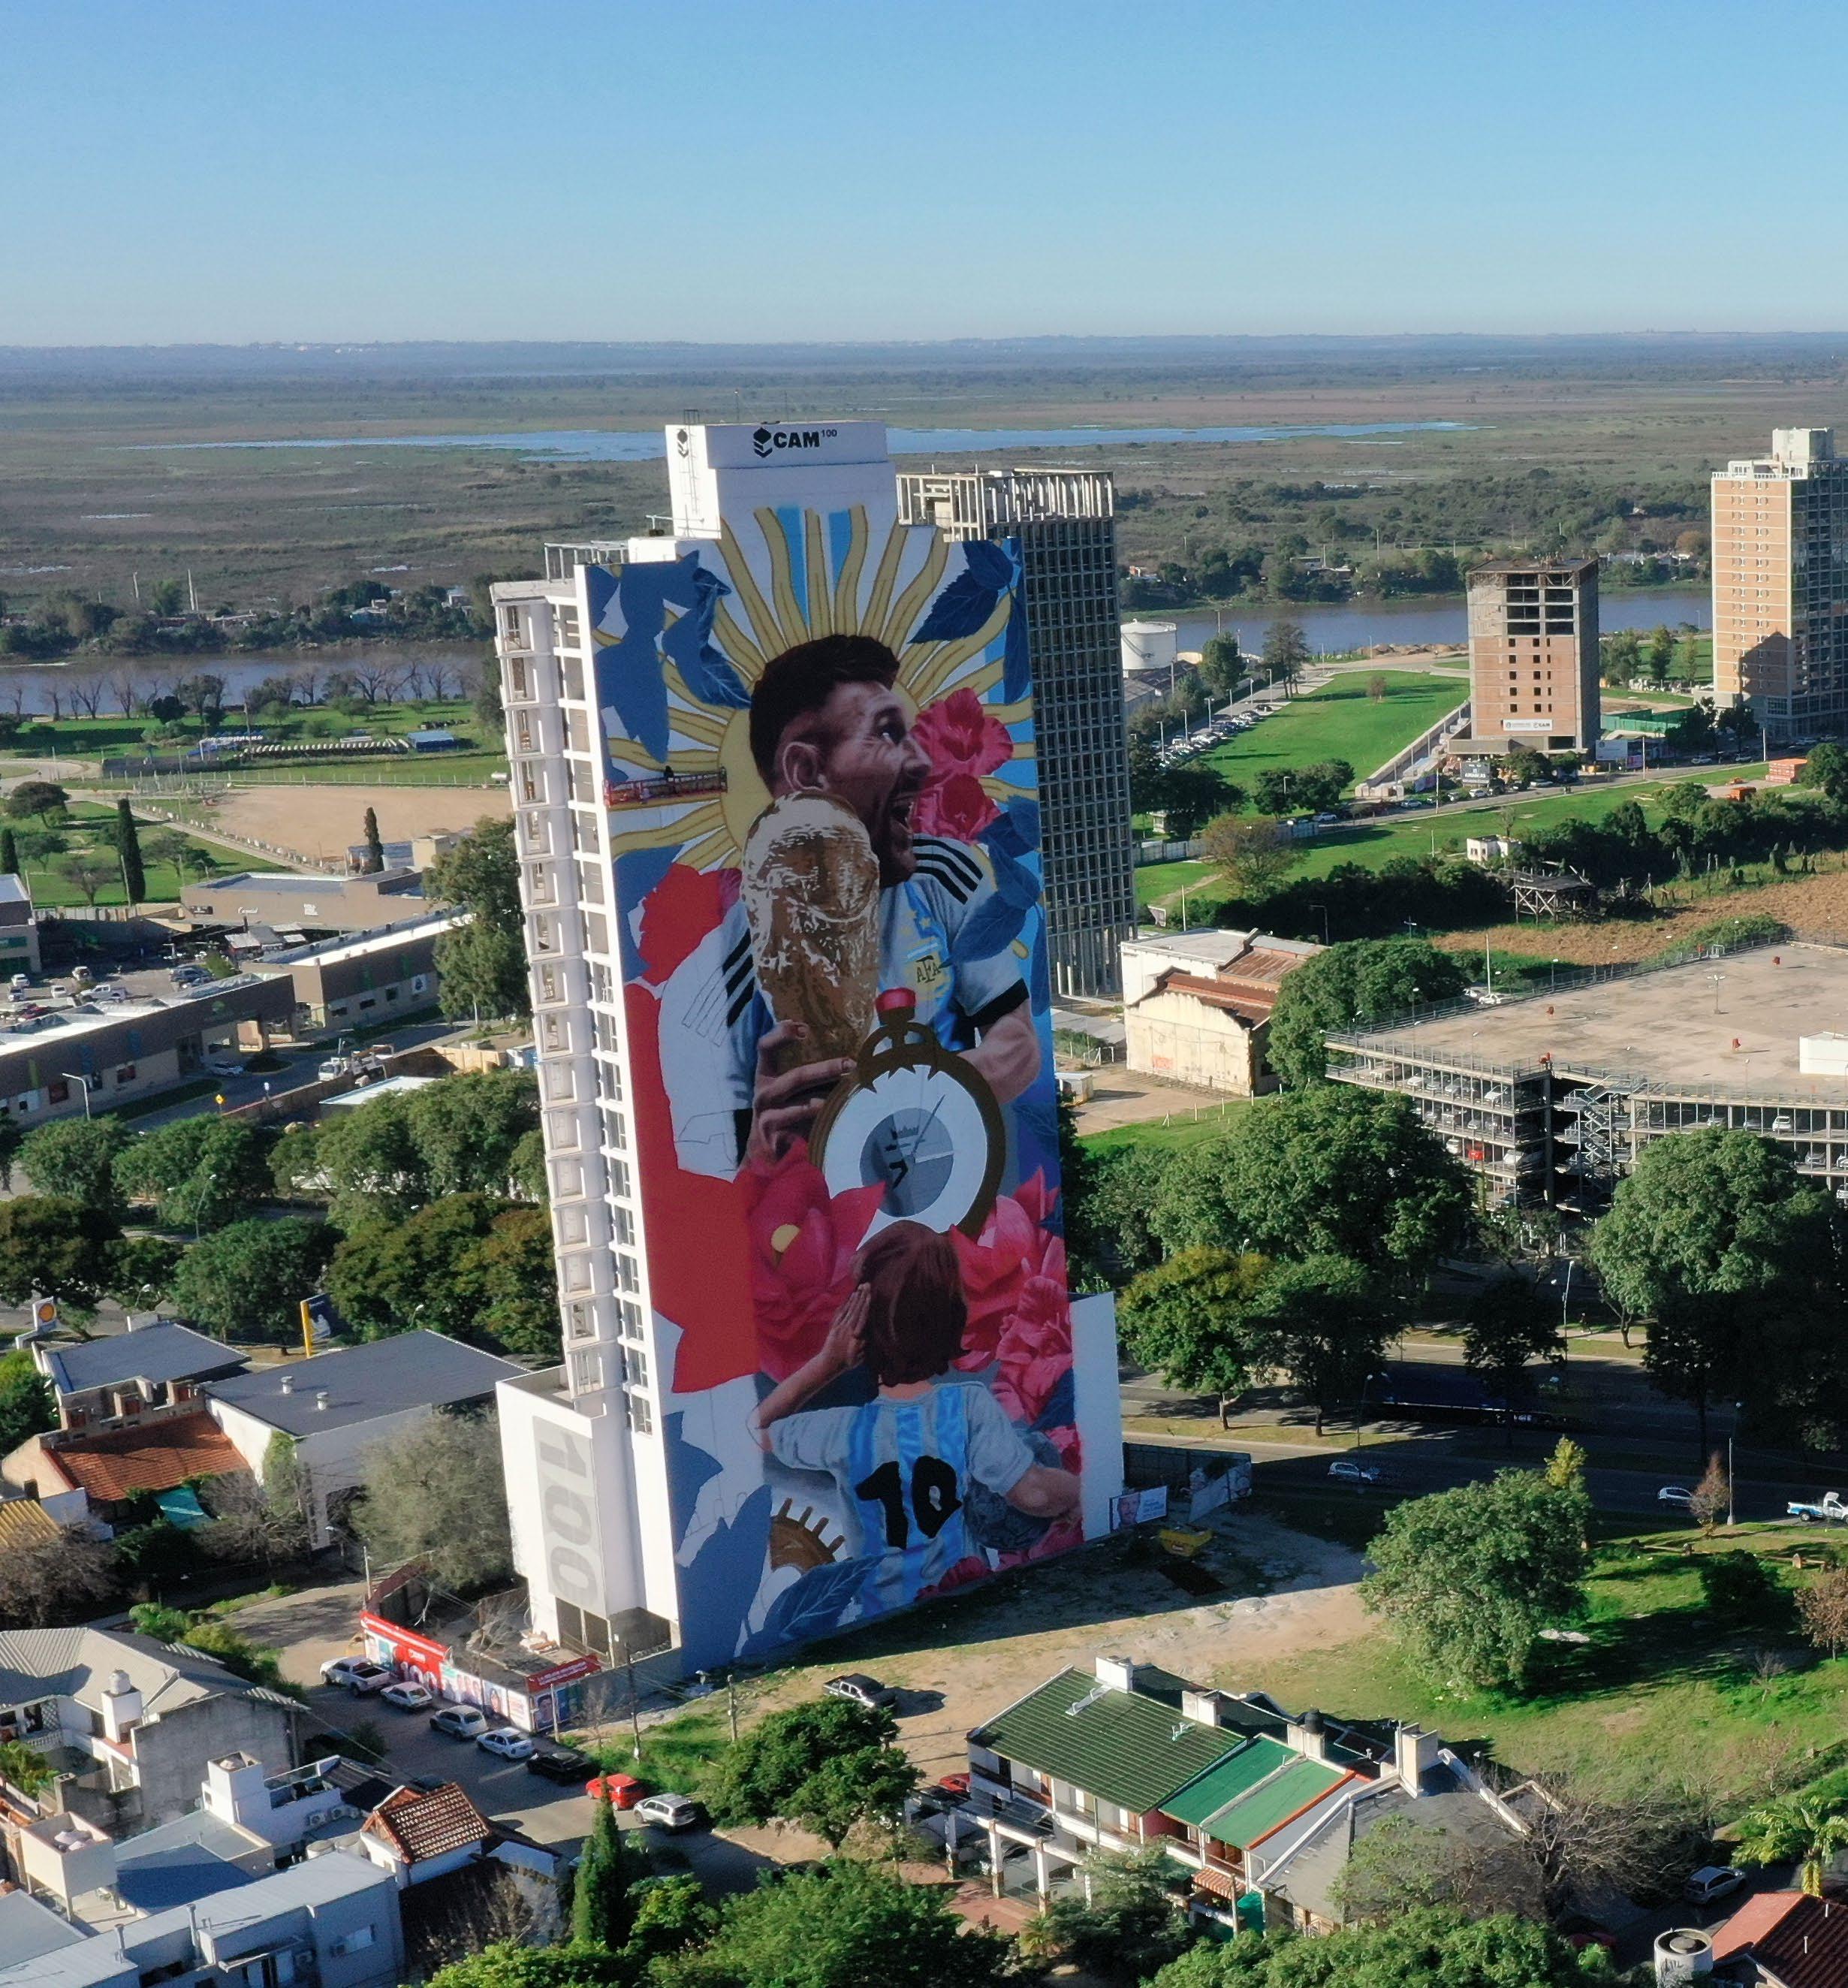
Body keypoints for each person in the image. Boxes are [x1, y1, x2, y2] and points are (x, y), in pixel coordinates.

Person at [657, 632, 1041, 1178]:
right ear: (807, 772)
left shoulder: (943, 875)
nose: (921, 762)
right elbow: (709, 1195)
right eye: (887, 733)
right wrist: (764, 1152)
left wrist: (903, 1099)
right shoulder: (705, 996)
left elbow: (1019, 1043)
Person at [751, 1223, 1080, 1613]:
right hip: (961, 1606)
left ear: (859, 1332)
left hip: (878, 1619)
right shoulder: (967, 1407)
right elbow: (1035, 1494)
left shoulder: (841, 1430)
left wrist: (827, 1363)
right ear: (952, 1318)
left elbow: (753, 1432)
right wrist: (1079, 1491)